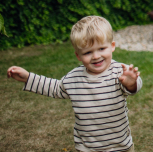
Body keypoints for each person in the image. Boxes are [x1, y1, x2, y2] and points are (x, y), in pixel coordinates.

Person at [7, 16, 142, 152]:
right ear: (78, 55)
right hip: (87, 148)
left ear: (112, 46)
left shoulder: (120, 72)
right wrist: (28, 78)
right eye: (88, 52)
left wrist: (131, 82)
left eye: (101, 49)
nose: (95, 56)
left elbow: (133, 88)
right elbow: (55, 88)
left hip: (120, 146)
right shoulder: (74, 78)